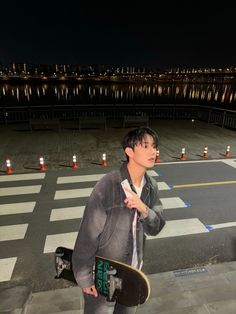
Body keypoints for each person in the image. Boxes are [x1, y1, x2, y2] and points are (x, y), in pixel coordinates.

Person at [72, 126, 165, 314]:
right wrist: (84, 277)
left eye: (154, 146)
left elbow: (156, 227)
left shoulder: (151, 187)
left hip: (132, 274)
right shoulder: (108, 185)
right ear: (129, 151)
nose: (153, 151)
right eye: (145, 146)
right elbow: (88, 234)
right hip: (103, 274)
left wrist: (143, 208)